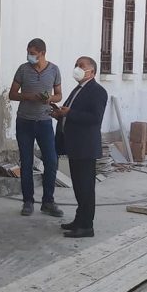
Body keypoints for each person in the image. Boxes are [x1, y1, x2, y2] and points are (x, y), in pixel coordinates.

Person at [52, 57, 108, 238]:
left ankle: (86, 226)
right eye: (76, 65)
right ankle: (79, 220)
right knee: (78, 186)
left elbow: (95, 118)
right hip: (74, 145)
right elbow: (71, 113)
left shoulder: (97, 91)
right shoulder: (78, 89)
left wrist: (70, 113)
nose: (77, 68)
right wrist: (60, 114)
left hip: (85, 146)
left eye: (81, 66)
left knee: (85, 188)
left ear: (92, 71)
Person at [8, 38, 64, 217]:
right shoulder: (23, 69)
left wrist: (49, 98)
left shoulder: (54, 70)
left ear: (42, 53)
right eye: (28, 52)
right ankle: (28, 201)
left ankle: (48, 201)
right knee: (26, 162)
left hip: (45, 121)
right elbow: (12, 94)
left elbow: (59, 95)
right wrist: (29, 96)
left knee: (51, 161)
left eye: (32, 53)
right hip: (24, 121)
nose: (29, 56)